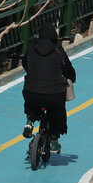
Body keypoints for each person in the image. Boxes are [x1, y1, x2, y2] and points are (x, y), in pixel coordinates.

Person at [21, 23, 76, 153]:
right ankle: (54, 141)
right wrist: (71, 78)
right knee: (57, 111)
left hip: (31, 91)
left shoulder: (31, 47)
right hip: (54, 93)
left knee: (31, 103)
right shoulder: (58, 49)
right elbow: (68, 68)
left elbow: (25, 63)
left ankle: (30, 121)